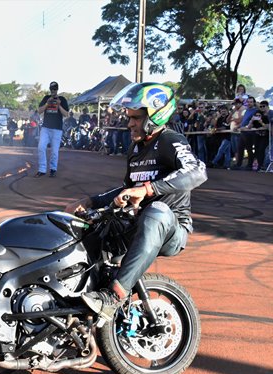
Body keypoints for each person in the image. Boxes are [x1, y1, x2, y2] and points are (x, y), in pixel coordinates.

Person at [67, 82, 207, 325]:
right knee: (89, 227)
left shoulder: (170, 140)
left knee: (156, 211)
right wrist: (90, 201)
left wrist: (148, 189)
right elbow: (126, 188)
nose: (129, 123)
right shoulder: (135, 148)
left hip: (170, 226)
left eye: (136, 118)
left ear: (155, 116)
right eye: (129, 117)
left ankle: (114, 296)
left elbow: (197, 171)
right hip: (138, 222)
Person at [35, 81, 69, 177]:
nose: (53, 91)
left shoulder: (62, 99)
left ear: (57, 89)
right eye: (51, 89)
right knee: (41, 147)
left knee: (54, 151)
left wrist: (59, 105)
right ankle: (42, 169)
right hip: (46, 127)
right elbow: (39, 111)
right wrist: (47, 104)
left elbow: (66, 114)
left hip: (57, 129)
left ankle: (53, 169)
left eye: (54, 89)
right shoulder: (46, 98)